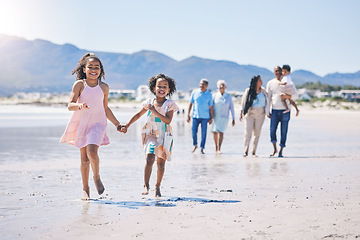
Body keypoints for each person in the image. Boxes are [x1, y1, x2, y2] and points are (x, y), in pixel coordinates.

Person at [60, 53, 123, 200]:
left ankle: (96, 176)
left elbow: (106, 109)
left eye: (97, 67)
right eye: (90, 67)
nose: (94, 69)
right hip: (82, 123)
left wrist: (117, 124)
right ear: (84, 69)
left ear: (101, 70)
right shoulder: (79, 85)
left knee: (92, 152)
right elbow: (70, 105)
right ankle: (85, 189)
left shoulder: (104, 87)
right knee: (84, 160)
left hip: (98, 123)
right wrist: (79, 105)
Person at [120, 73, 178, 197]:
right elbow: (137, 115)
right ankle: (146, 184)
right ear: (153, 88)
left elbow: (167, 121)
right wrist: (127, 125)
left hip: (164, 136)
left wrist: (154, 111)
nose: (161, 89)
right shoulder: (149, 103)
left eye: (164, 86)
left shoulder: (169, 104)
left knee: (161, 164)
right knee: (150, 157)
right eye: (159, 86)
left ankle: (157, 186)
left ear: (168, 90)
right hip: (150, 134)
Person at [266, 66, 298, 157]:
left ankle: (281, 151)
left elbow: (295, 95)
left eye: (280, 71)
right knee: (272, 131)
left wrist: (287, 97)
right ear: (274, 72)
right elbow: (268, 98)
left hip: (285, 111)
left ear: (283, 72)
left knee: (284, 132)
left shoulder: (288, 82)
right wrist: (267, 111)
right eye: (276, 71)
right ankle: (274, 149)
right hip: (275, 111)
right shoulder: (270, 83)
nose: (278, 72)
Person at [240, 75, 270, 157]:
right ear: (256, 82)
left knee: (257, 133)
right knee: (248, 132)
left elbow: (268, 102)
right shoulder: (249, 90)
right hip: (250, 113)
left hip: (260, 114)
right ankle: (245, 151)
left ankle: (253, 152)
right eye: (260, 80)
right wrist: (241, 112)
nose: (261, 82)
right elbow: (244, 102)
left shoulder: (264, 91)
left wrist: (268, 113)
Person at [187, 79, 214, 154]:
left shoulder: (209, 95)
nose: (201, 85)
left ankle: (202, 148)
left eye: (203, 84)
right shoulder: (195, 92)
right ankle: (195, 145)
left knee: (204, 133)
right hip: (195, 116)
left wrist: (211, 118)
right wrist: (188, 115)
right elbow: (190, 104)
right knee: (193, 132)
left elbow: (211, 107)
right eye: (200, 84)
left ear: (207, 86)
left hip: (205, 117)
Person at [211, 80, 235, 154]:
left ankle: (219, 148)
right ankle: (216, 147)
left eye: (223, 85)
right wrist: (210, 117)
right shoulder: (214, 95)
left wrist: (233, 118)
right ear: (218, 87)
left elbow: (232, 107)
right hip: (215, 117)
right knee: (215, 132)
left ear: (225, 87)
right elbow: (211, 107)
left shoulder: (228, 96)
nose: (222, 87)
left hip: (224, 117)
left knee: (221, 132)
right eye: (220, 86)